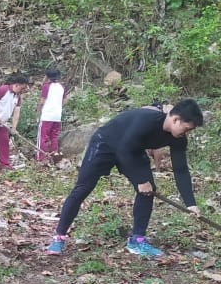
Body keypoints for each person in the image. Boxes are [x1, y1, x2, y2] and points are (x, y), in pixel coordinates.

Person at [45, 99, 205, 258]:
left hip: (132, 150)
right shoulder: (146, 120)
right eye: (186, 128)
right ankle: (59, 237)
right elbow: (122, 149)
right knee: (83, 188)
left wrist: (190, 203)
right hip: (105, 144)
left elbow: (181, 170)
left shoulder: (178, 139)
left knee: (148, 190)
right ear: (176, 119)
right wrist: (140, 180)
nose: (187, 133)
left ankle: (137, 239)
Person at [0, 75, 30, 171]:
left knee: (4, 144)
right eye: (22, 88)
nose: (23, 91)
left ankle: (4, 165)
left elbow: (16, 112)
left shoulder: (18, 97)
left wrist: (14, 128)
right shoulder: (4, 89)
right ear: (17, 85)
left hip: (3, 124)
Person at [36, 68, 66, 162]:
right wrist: (57, 106)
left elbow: (42, 101)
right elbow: (65, 101)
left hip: (47, 116)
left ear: (48, 77)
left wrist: (38, 111)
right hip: (57, 116)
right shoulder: (61, 87)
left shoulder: (46, 86)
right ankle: (54, 156)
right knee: (54, 137)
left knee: (43, 137)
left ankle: (41, 157)